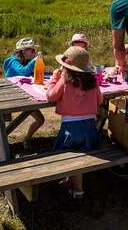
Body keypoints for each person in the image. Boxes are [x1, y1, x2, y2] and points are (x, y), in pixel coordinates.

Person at [46, 46, 103, 199]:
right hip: (90, 129)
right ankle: (75, 187)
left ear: (66, 67)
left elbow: (51, 96)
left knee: (69, 153)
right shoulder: (92, 81)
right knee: (79, 152)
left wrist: (54, 79)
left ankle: (74, 186)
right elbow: (100, 100)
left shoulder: (65, 80)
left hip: (70, 130)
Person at [3, 37, 45, 149]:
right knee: (3, 124)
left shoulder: (24, 61)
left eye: (34, 50)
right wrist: (34, 61)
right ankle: (0, 143)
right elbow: (23, 72)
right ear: (23, 51)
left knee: (40, 120)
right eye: (32, 50)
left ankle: (27, 138)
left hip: (24, 95)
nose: (34, 52)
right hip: (10, 97)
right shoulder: (12, 61)